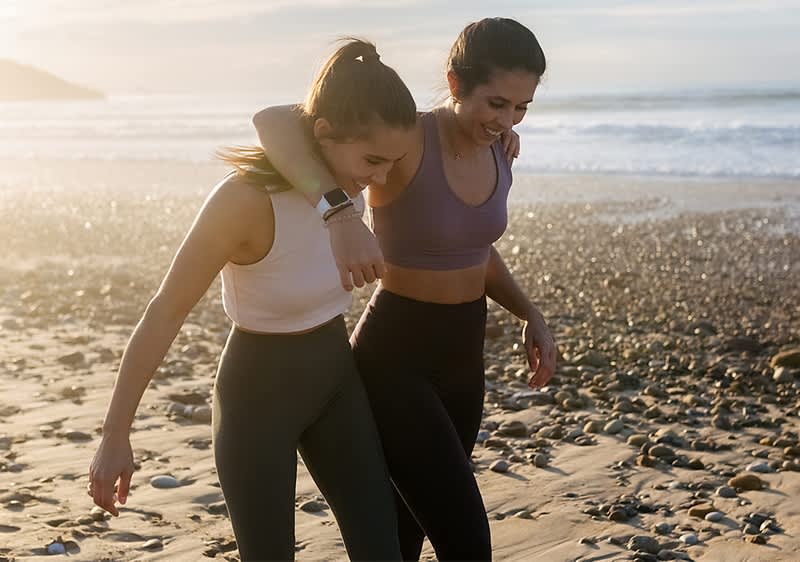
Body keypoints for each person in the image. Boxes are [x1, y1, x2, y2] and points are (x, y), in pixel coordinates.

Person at [87, 39, 418, 561]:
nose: (380, 178)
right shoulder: (243, 201)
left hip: (336, 382)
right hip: (256, 399)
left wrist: (498, 138)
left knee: (383, 552)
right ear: (324, 135)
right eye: (372, 160)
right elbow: (165, 309)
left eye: (391, 162)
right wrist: (115, 433)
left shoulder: (350, 186)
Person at [252, 17, 557, 562]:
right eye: (495, 103)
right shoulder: (408, 135)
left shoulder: (499, 149)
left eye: (520, 108)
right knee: (466, 539)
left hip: (465, 357)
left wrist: (528, 312)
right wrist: (339, 214)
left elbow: (476, 250)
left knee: (403, 537)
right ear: (455, 82)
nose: (506, 119)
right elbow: (272, 120)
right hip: (396, 357)